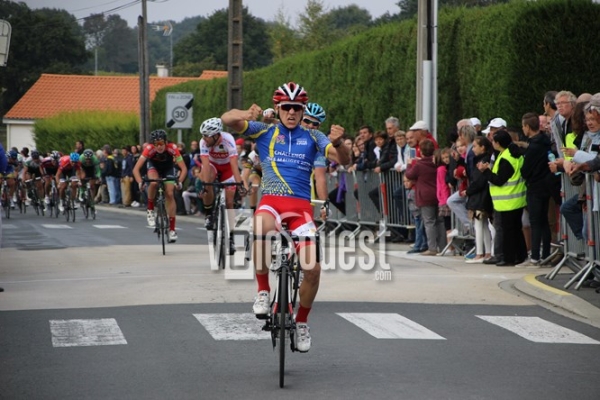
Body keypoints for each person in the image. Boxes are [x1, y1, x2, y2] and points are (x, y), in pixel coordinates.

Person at [220, 81, 351, 352]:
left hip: (300, 209)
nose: (292, 112)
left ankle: (301, 322)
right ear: (278, 108)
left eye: (297, 108)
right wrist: (246, 114)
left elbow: (344, 160)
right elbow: (226, 119)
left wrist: (339, 142)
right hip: (271, 202)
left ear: (303, 111)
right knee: (260, 228)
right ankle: (263, 291)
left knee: (312, 269)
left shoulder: (314, 137)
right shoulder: (266, 130)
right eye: (287, 107)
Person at [478, 130, 527, 266]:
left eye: (493, 141)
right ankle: (520, 256)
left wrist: (486, 171)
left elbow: (499, 180)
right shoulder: (513, 154)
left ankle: (509, 258)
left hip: (507, 200)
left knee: (508, 231)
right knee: (516, 230)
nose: (492, 143)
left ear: (498, 143)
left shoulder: (506, 157)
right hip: (516, 198)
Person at [198, 117, 247, 255]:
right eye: (203, 135)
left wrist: (239, 184)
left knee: (230, 202)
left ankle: (231, 237)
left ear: (216, 135)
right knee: (208, 182)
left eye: (206, 136)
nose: (204, 138)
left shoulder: (228, 140)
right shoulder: (204, 143)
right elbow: (206, 166)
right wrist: (205, 185)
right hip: (213, 166)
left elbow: (233, 164)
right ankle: (208, 214)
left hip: (227, 168)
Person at [133, 129, 188, 243]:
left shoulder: (172, 148)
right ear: (152, 144)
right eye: (156, 144)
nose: (159, 146)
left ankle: (172, 230)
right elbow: (136, 169)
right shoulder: (148, 149)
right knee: (153, 182)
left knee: (169, 193)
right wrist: (139, 182)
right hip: (154, 167)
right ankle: (150, 209)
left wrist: (180, 181)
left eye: (161, 143)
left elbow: (183, 169)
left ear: (165, 142)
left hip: (168, 168)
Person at [519, 112, 553, 267]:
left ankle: (534, 256)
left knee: (535, 221)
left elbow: (525, 170)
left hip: (535, 186)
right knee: (543, 221)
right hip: (546, 185)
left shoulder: (533, 147)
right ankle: (546, 254)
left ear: (527, 127)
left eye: (523, 126)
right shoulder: (545, 141)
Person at [461, 136, 494, 263]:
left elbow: (479, 181)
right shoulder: (483, 159)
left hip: (480, 196)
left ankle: (479, 253)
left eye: (475, 146)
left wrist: (468, 191)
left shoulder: (482, 161)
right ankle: (487, 252)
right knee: (484, 225)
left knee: (479, 225)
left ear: (483, 147)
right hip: (483, 196)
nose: (473, 149)